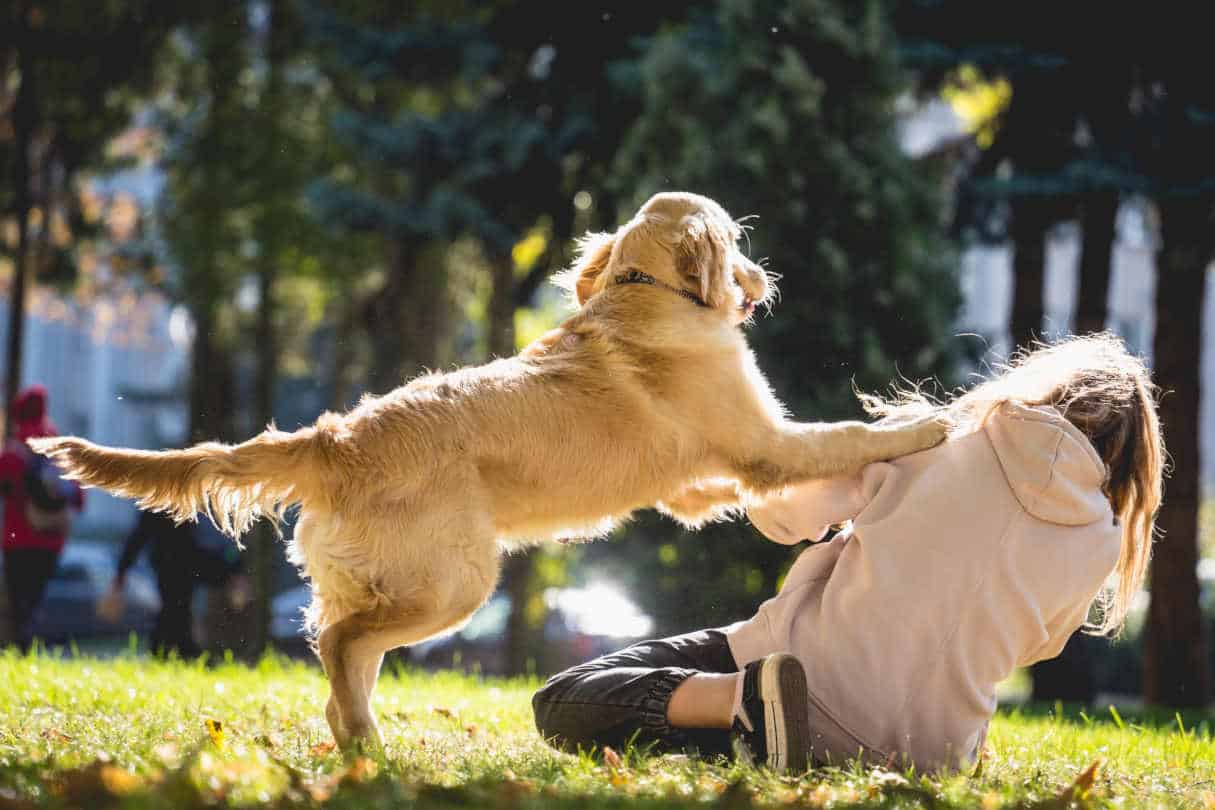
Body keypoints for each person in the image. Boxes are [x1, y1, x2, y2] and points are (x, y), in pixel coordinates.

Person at [532, 333, 1162, 773]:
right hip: (934, 754)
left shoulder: (935, 438)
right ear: (1131, 459)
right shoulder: (1099, 542)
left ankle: (743, 702)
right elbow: (1034, 645)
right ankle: (750, 719)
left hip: (802, 684)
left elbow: (787, 518)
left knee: (566, 699)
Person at [0, 385, 85, 650]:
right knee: (36, 599)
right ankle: (31, 646)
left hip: (18, 537)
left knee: (19, 602)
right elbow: (79, 500)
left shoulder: (14, 450)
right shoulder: (59, 449)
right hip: (52, 538)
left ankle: (21, 649)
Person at [112, 510, 214, 657]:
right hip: (172, 564)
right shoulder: (161, 503)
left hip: (179, 564)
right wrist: (121, 572)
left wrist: (122, 572)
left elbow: (138, 536)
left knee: (176, 609)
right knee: (175, 609)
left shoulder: (183, 503)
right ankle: (176, 651)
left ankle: (175, 650)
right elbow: (138, 536)